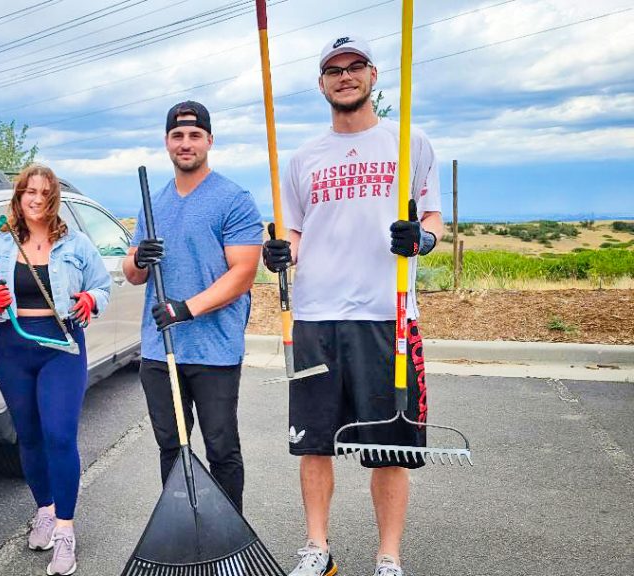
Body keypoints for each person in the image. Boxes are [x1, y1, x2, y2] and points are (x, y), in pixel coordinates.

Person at [262, 36, 443, 576]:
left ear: (373, 76)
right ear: (321, 84)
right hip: (315, 317)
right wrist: (280, 252)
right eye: (333, 70)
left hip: (386, 315)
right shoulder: (302, 158)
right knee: (313, 442)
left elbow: (433, 222)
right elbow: (294, 232)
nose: (345, 76)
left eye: (355, 67)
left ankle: (388, 556)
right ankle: (318, 547)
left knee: (389, 444)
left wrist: (422, 241)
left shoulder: (409, 142)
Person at [0, 164, 111, 576]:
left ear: (54, 200)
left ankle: (65, 530)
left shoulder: (76, 243)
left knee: (59, 435)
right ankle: (44, 510)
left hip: (61, 345)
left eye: (45, 194)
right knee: (28, 436)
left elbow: (102, 285)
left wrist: (90, 299)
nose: (37, 199)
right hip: (13, 346)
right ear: (19, 195)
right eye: (30, 192)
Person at [123, 101, 263, 512]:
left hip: (214, 350)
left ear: (209, 140)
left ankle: (229, 532)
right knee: (171, 445)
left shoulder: (233, 198)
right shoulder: (155, 201)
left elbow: (242, 273)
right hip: (158, 349)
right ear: (167, 142)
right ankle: (185, 527)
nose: (186, 144)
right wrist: (138, 259)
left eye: (194, 135)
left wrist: (187, 309)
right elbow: (133, 273)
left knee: (221, 447)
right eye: (178, 135)